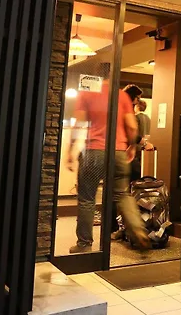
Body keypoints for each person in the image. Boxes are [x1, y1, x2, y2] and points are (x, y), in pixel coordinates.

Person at [67, 69, 150, 253]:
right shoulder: (121, 96)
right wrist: (132, 147)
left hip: (94, 152)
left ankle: (84, 245)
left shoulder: (87, 93)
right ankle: (138, 230)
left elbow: (79, 124)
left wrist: (70, 150)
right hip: (118, 153)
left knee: (87, 199)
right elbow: (131, 126)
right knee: (122, 195)